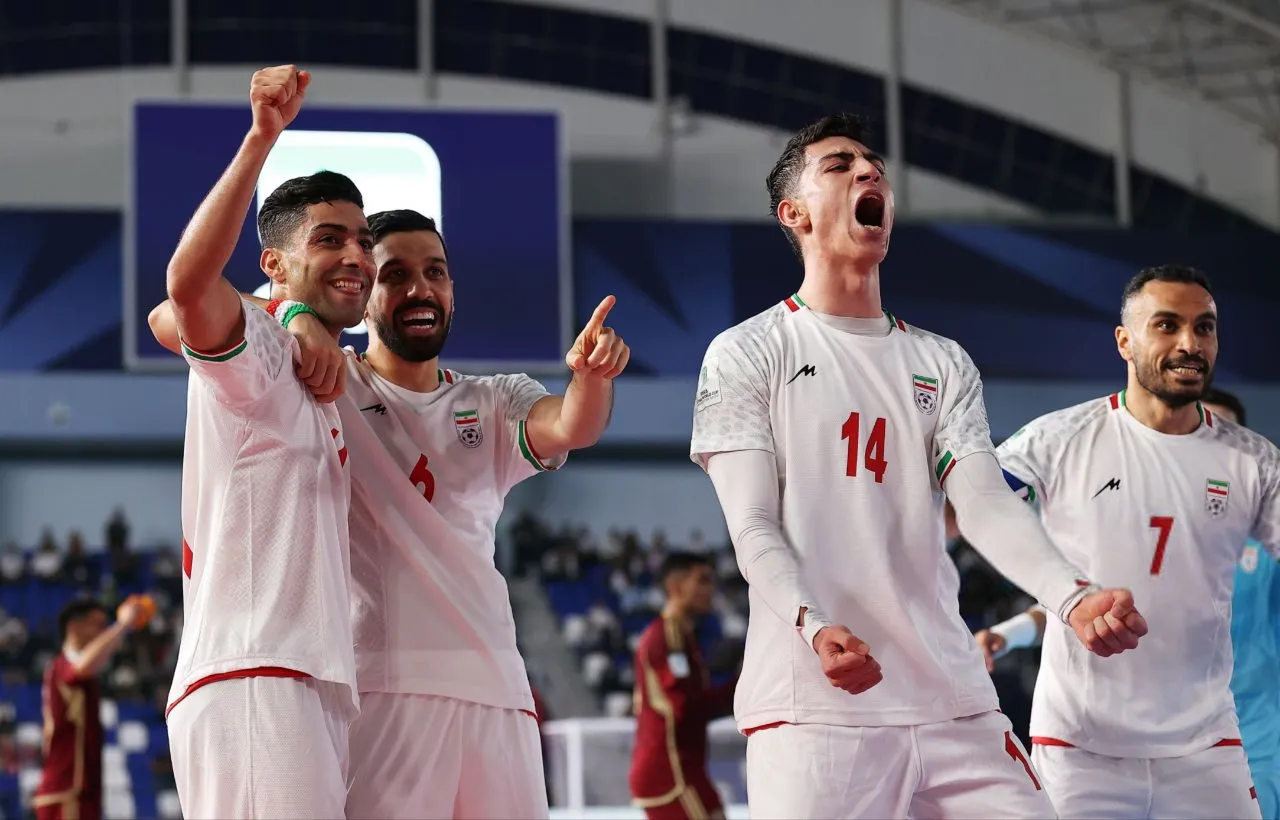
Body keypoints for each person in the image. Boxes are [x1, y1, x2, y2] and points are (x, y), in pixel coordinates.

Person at [688, 111, 1148, 819]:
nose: (868, 170)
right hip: (817, 704)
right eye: (839, 166)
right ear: (794, 214)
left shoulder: (942, 361)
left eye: (872, 164)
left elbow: (986, 505)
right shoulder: (747, 352)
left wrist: (1072, 595)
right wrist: (814, 626)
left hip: (951, 698)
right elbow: (752, 525)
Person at [150, 207, 630, 817]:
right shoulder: (322, 378)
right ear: (362, 290)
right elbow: (171, 314)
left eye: (436, 272)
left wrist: (591, 377)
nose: (420, 288)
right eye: (395, 273)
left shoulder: (495, 398)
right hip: (381, 686)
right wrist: (294, 312)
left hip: (499, 689)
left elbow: (571, 426)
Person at [992, 266, 1280, 819]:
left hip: (1207, 747)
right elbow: (971, 508)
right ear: (1125, 341)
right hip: (1079, 747)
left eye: (1204, 327)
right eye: (1167, 325)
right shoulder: (1057, 439)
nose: (1189, 343)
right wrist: (1063, 595)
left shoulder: (1255, 460)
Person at [160, 64, 370, 818]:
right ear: (274, 265)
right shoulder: (264, 349)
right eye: (329, 239)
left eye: (363, 240)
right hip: (255, 672)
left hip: (300, 677)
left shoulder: (324, 372)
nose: (357, 255)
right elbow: (185, 291)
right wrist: (260, 138)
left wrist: (296, 315)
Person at [630, 552, 737, 820]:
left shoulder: (680, 634)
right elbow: (684, 706)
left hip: (684, 770)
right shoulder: (668, 635)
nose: (710, 588)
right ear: (675, 587)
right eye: (702, 580)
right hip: (671, 773)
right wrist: (741, 687)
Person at [34, 596, 153, 820]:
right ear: (74, 627)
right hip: (66, 790)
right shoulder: (61, 665)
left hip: (81, 790)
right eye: (97, 624)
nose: (103, 631)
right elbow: (83, 666)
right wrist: (122, 625)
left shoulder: (83, 673)